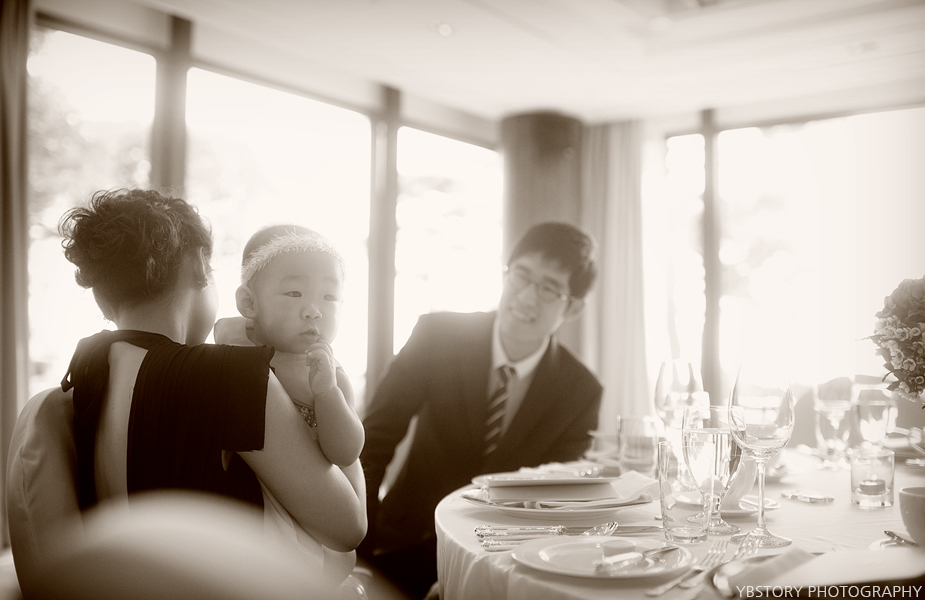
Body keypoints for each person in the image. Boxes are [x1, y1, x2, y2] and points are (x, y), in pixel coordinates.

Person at [56, 189, 366, 596]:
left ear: (102, 290)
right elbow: (348, 528)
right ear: (200, 267)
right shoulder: (225, 375)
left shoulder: (89, 362)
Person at [359, 221, 603, 598]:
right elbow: (372, 443)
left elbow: (557, 502)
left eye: (549, 288)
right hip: (404, 543)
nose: (527, 297)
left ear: (573, 307)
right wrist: (355, 549)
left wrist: (474, 570)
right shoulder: (436, 336)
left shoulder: (580, 391)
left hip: (506, 562)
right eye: (521, 275)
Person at [213, 224, 364, 581]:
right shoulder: (232, 352)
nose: (313, 311)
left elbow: (346, 452)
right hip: (249, 510)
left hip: (314, 513)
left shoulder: (329, 374)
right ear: (249, 303)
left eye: (329, 297)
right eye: (294, 293)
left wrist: (326, 394)